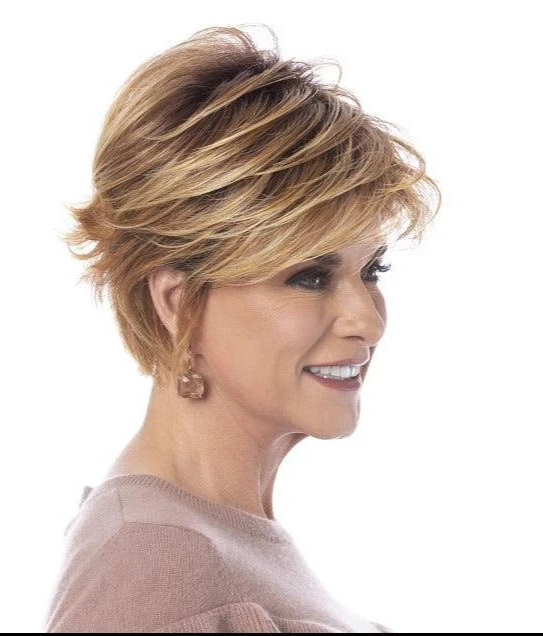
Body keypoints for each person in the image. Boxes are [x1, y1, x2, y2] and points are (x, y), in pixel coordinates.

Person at [43, 24, 441, 633]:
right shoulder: (154, 564)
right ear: (177, 301)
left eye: (372, 270)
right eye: (310, 276)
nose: (368, 321)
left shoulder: (208, 540)